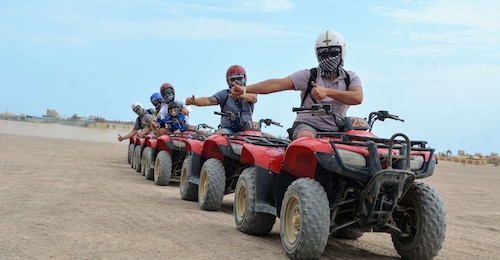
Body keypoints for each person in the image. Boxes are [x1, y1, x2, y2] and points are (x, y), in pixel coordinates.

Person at [230, 30, 363, 140]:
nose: (329, 58)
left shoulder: (350, 78)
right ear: (318, 54)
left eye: (333, 53)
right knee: (307, 140)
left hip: (337, 129)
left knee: (364, 142)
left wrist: (327, 92)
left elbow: (357, 97)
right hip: (307, 125)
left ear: (342, 53)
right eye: (324, 54)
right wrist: (245, 89)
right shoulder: (309, 76)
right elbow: (278, 84)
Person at [185, 64, 257, 135]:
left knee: (267, 137)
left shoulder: (250, 92)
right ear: (228, 82)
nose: (236, 82)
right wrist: (194, 101)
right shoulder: (224, 94)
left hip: (247, 129)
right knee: (220, 134)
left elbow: (253, 98)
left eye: (239, 79)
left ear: (244, 79)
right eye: (233, 80)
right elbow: (209, 100)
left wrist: (241, 94)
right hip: (228, 130)